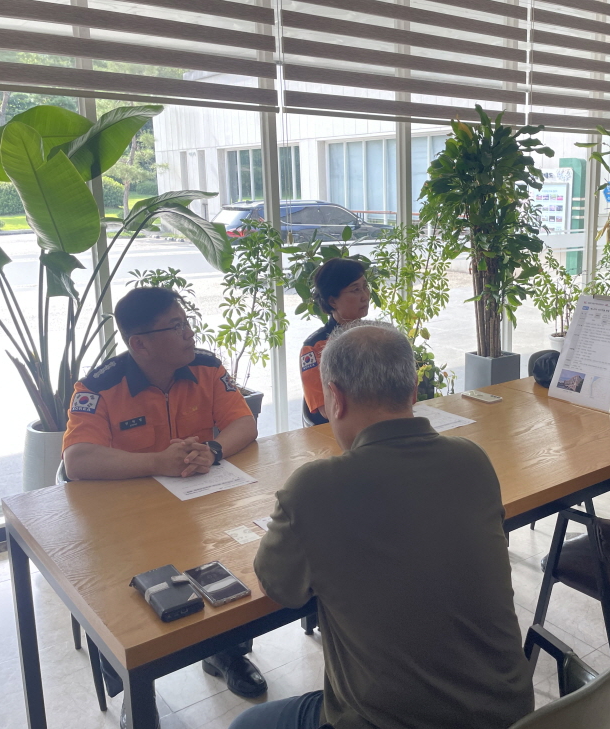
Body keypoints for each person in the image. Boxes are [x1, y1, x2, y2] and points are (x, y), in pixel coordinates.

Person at [232, 321, 534, 729]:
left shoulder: (314, 488)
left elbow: (279, 588)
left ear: (335, 398)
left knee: (248, 724)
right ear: (413, 391)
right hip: (510, 716)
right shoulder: (472, 459)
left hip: (387, 722)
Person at [62, 287, 267, 728]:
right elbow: (77, 460)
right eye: (175, 327)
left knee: (234, 556)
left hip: (196, 505)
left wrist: (213, 450)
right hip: (126, 523)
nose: (189, 333)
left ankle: (227, 653)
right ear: (140, 344)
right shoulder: (99, 386)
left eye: (186, 322)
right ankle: (135, 691)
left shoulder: (206, 367)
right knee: (118, 597)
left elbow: (243, 421)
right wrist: (157, 462)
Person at [299, 258, 371, 425]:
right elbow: (326, 409)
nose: (365, 296)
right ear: (332, 301)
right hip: (335, 430)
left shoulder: (376, 336)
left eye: (365, 287)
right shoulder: (314, 347)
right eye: (355, 290)